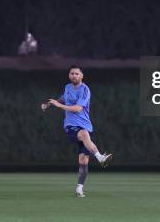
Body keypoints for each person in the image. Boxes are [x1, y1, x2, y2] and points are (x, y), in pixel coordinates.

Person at [41, 66, 113, 197]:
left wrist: (59, 106)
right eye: (72, 73)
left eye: (76, 74)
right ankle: (101, 158)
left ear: (81, 76)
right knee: (84, 135)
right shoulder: (67, 87)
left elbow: (78, 108)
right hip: (71, 126)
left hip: (86, 126)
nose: (74, 75)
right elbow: (62, 99)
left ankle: (79, 188)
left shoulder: (85, 90)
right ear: (69, 75)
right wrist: (49, 104)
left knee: (83, 160)